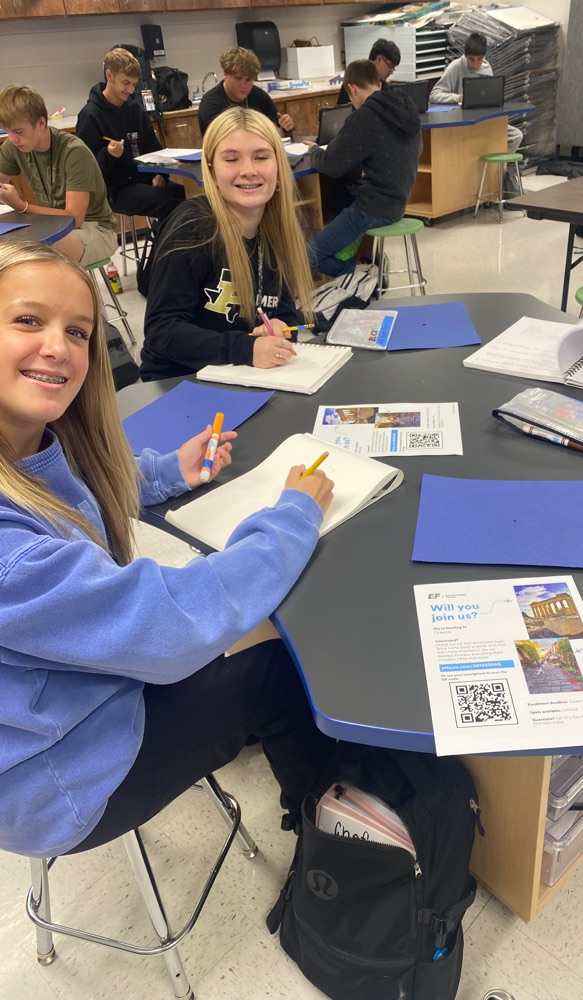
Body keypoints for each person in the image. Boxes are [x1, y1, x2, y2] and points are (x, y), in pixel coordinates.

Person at [0, 238, 335, 858]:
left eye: (78, 332)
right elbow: (168, 627)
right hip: (59, 782)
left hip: (75, 696)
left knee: (233, 627)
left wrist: (167, 472)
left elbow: (76, 488)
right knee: (279, 667)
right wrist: (294, 516)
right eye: (27, 320)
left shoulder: (31, 439)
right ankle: (332, 847)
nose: (58, 347)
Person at [140, 107, 314, 381]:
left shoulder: (276, 229)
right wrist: (245, 348)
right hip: (180, 381)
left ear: (279, 165)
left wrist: (281, 326)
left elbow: (282, 310)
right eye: (231, 159)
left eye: (261, 157)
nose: (248, 170)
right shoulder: (193, 228)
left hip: (242, 374)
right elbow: (163, 331)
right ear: (211, 168)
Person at [306, 59, 422, 278]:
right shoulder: (405, 108)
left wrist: (314, 150)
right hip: (399, 203)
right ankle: (361, 264)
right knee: (343, 196)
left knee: (310, 256)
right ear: (377, 83)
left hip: (373, 208)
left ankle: (366, 276)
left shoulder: (365, 117)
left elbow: (331, 164)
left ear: (351, 88)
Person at [0, 84, 117, 267]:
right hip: (51, 224)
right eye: (7, 130)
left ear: (41, 123)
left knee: (36, 256)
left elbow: (74, 219)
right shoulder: (14, 146)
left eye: (18, 131)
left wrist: (21, 206)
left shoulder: (74, 152)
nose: (13, 138)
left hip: (94, 228)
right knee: (12, 250)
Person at [76, 47, 185, 223]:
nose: (130, 90)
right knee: (168, 203)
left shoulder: (136, 110)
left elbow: (153, 149)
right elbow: (86, 171)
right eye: (126, 83)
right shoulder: (90, 115)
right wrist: (109, 155)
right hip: (113, 189)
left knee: (187, 197)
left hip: (142, 179)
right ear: (109, 75)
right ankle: (165, 246)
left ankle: (172, 243)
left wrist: (159, 174)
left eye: (134, 84)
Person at [428, 31, 523, 187]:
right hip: (463, 122)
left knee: (516, 135)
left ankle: (500, 173)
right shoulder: (455, 67)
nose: (475, 64)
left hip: (485, 120)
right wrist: (457, 98)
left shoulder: (487, 68)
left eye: (479, 59)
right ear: (465, 56)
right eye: (471, 59)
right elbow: (434, 95)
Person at [198, 47, 294, 137]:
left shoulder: (260, 97)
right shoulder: (211, 103)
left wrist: (286, 127)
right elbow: (226, 137)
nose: (243, 85)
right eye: (238, 78)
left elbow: (277, 131)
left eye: (248, 80)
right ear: (225, 75)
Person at [336, 38, 401, 105]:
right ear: (379, 59)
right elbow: (341, 110)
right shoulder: (354, 78)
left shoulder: (384, 85)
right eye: (390, 66)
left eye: (393, 68)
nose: (391, 72)